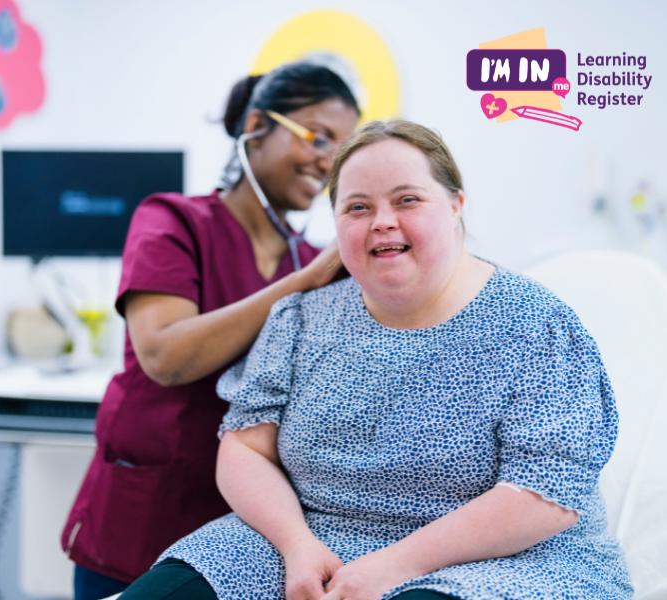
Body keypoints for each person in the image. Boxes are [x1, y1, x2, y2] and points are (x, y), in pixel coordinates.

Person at [118, 120, 633, 600]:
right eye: (358, 207)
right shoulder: (302, 317)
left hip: (500, 559)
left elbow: (546, 490)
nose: (382, 223)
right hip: (313, 539)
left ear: (455, 205)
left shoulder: (533, 323)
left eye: (407, 200)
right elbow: (246, 449)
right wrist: (296, 546)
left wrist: (395, 565)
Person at [61, 62, 360, 600]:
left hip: (248, 529)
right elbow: (164, 356)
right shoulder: (173, 222)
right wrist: (301, 282)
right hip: (150, 505)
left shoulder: (314, 261)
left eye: (342, 150)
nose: (328, 160)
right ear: (255, 128)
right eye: (318, 137)